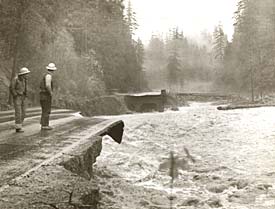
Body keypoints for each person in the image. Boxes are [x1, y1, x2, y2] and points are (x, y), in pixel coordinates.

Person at [10, 67, 30, 133]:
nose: (27, 75)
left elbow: (25, 88)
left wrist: (26, 94)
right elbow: (12, 88)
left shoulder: (25, 80)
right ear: (22, 74)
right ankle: (18, 127)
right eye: (26, 74)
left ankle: (19, 125)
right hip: (17, 97)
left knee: (24, 112)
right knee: (18, 112)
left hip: (23, 97)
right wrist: (15, 95)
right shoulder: (16, 79)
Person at [40, 63, 57, 130]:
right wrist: (50, 93)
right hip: (45, 95)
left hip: (42, 94)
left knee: (44, 110)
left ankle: (43, 124)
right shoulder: (48, 76)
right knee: (46, 109)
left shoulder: (45, 75)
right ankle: (45, 125)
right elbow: (47, 85)